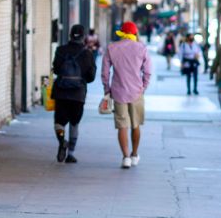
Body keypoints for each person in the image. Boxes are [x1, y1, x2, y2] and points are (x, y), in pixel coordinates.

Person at [101, 21, 152, 169]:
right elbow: (148, 71)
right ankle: (134, 154)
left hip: (118, 92)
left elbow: (105, 72)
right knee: (135, 125)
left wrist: (107, 89)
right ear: (135, 33)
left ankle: (125, 157)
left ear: (122, 33)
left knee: (122, 125)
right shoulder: (142, 48)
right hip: (136, 92)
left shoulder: (112, 47)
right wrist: (143, 87)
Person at [51, 24, 97, 163]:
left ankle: (61, 141)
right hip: (78, 94)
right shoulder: (87, 54)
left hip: (61, 92)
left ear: (70, 35)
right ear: (84, 37)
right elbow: (91, 77)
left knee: (59, 123)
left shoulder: (60, 50)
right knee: (74, 123)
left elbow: (57, 69)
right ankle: (70, 153)